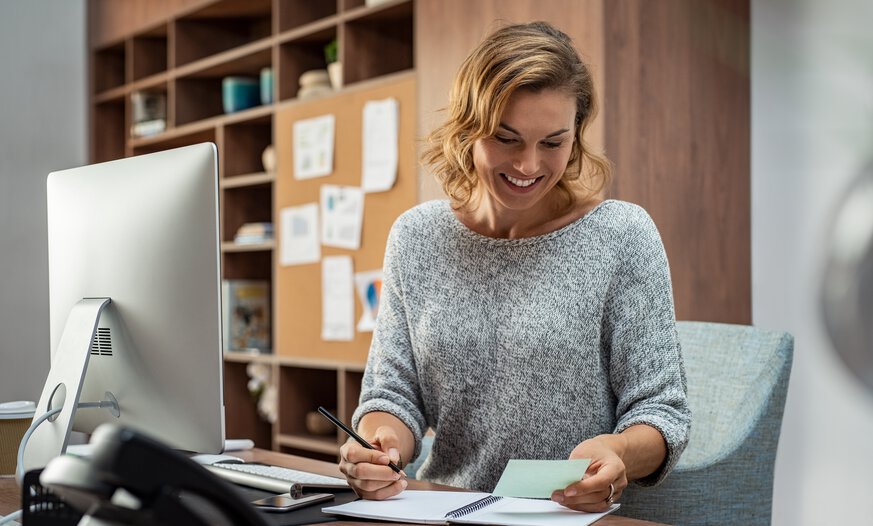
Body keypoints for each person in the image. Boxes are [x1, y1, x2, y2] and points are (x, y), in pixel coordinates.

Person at [339, 21, 691, 513]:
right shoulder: (416, 238)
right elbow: (393, 395)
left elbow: (662, 413)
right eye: (506, 139)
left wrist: (618, 451)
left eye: (553, 142)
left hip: (568, 515)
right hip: (444, 508)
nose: (528, 165)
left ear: (577, 136)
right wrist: (379, 447)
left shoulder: (622, 235)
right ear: (468, 127)